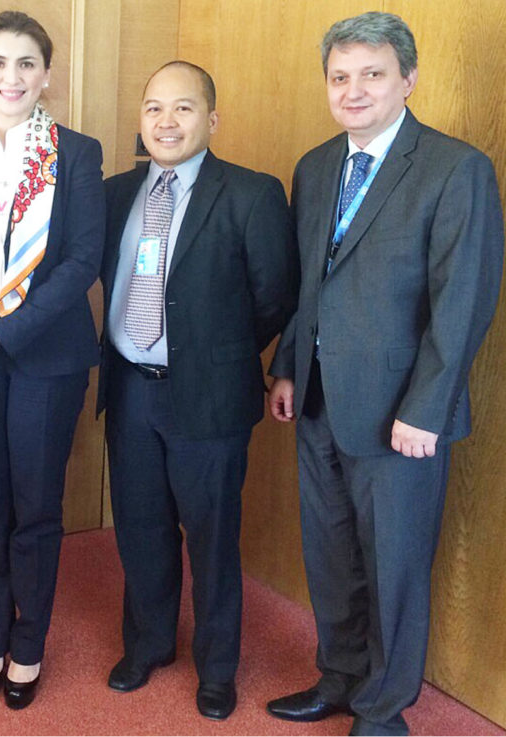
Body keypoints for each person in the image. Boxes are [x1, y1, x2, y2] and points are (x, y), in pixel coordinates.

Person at [265, 12, 503, 736]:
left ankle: (383, 707)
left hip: (401, 413)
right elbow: (308, 285)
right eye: (341, 77)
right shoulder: (314, 166)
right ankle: (338, 676)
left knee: (395, 566)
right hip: (315, 400)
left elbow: (463, 299)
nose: (355, 90)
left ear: (409, 78)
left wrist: (427, 408)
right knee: (331, 553)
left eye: (372, 74)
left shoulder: (454, 167)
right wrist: (284, 369)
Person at [97, 61, 297, 720]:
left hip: (208, 398)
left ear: (211, 119)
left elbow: (274, 298)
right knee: (141, 529)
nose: (166, 122)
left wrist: (211, 353)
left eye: (183, 109)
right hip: (129, 390)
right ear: (141, 119)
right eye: (154, 108)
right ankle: (150, 642)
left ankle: (217, 667)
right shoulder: (114, 193)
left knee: (212, 537)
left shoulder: (251, 193)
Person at [0, 10, 105, 710]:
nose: (12, 77)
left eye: (27, 63)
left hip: (46, 344)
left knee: (36, 503)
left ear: (47, 74)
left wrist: (5, 333)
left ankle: (30, 642)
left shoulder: (77, 151)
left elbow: (82, 261)